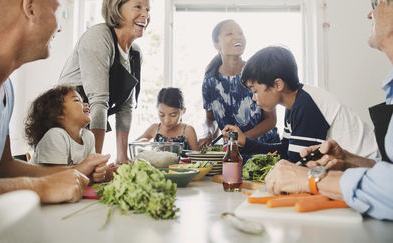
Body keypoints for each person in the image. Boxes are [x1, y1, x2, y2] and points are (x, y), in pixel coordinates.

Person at [265, 0, 393, 220]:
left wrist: (312, 178)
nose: (370, 13)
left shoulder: (305, 101)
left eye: (381, 1)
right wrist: (349, 161)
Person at [0, 0, 109, 203]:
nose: (60, 24)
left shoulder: (6, 87)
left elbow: (4, 168)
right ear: (31, 8)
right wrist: (39, 188)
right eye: (57, 11)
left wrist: (77, 173)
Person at [222, 46, 378, 162]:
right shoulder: (296, 103)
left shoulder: (306, 105)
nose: (254, 98)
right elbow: (285, 151)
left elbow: (296, 162)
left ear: (277, 85)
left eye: (255, 91)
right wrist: (245, 142)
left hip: (367, 167)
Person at [58, 0, 150, 164]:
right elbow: (98, 102)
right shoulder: (99, 37)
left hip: (89, 122)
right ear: (117, 9)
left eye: (148, 9)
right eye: (138, 7)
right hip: (64, 123)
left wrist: (122, 158)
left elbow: (126, 108)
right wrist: (96, 161)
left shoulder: (135, 53)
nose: (146, 15)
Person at [199, 19, 279, 148]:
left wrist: (242, 139)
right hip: (231, 152)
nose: (237, 37)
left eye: (240, 33)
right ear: (216, 44)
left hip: (265, 149)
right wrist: (207, 134)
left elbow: (271, 120)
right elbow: (210, 119)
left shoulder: (258, 72)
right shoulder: (210, 80)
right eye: (229, 34)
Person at [25, 86, 116, 182]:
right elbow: (59, 179)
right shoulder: (55, 136)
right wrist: (94, 177)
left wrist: (102, 171)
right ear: (59, 113)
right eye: (77, 100)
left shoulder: (88, 137)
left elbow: (90, 172)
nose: (85, 104)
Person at [135, 87, 200, 151]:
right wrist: (142, 144)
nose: (167, 121)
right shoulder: (154, 128)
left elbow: (198, 158)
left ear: (183, 111)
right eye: (162, 115)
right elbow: (135, 144)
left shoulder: (188, 131)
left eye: (173, 115)